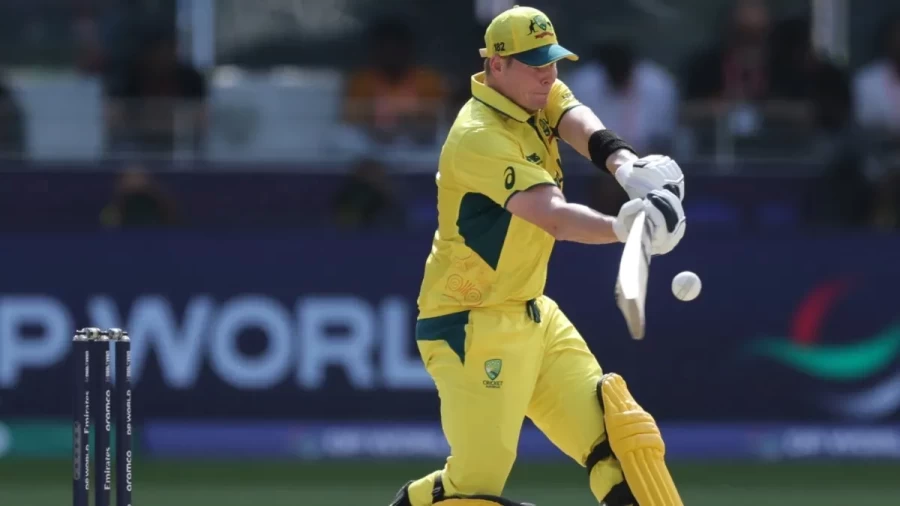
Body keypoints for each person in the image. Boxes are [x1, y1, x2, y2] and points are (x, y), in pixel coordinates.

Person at [390, 6, 686, 506]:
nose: (547, 74)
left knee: (625, 445)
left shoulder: (533, 95)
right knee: (474, 489)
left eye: (551, 61)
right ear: (496, 65)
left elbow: (576, 120)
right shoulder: (480, 135)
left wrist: (626, 166)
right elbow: (552, 216)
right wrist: (625, 227)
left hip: (534, 313)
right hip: (471, 323)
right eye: (534, 64)